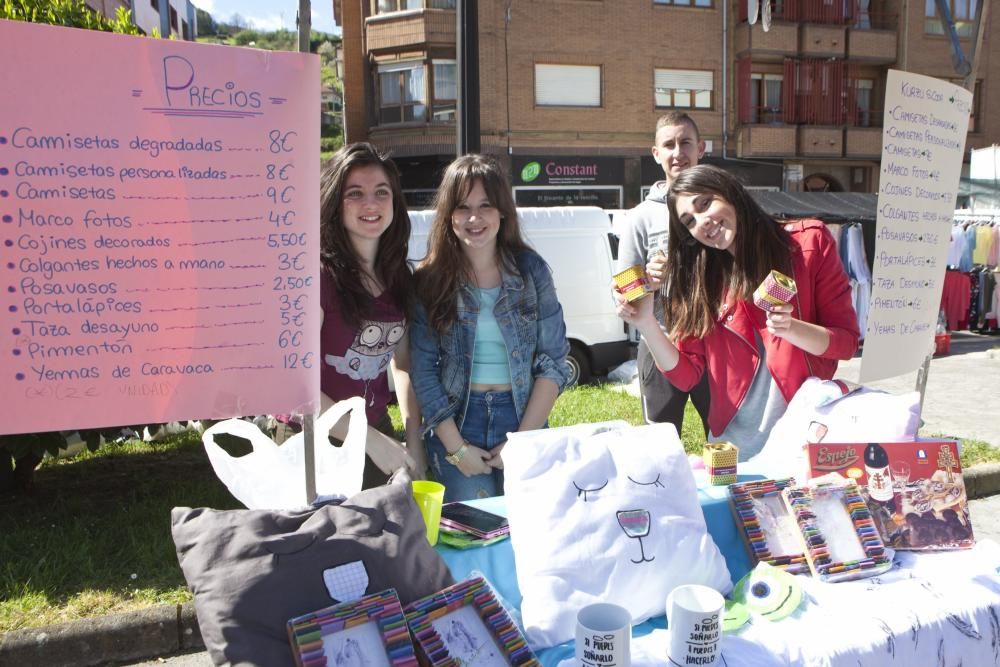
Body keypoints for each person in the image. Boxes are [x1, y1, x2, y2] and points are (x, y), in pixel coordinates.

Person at [617, 165, 860, 460]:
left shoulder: (807, 244)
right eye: (689, 221)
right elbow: (686, 376)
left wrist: (790, 328)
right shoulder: (701, 281)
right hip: (733, 449)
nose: (702, 222)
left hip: (804, 437)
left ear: (730, 192)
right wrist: (645, 323)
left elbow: (845, 344)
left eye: (705, 203)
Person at [410, 154, 571, 502]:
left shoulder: (532, 272)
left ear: (502, 211)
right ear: (447, 214)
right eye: (462, 207)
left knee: (529, 536)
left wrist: (522, 441)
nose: (474, 218)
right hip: (456, 423)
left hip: (523, 418)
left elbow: (554, 360)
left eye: (485, 205)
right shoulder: (428, 280)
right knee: (472, 539)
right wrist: (455, 449)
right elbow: (422, 370)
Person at [316, 142, 425, 486]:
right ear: (335, 203)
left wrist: (414, 439)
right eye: (355, 194)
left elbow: (403, 364)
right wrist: (369, 440)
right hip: (314, 439)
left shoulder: (399, 279)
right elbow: (293, 386)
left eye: (381, 192)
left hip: (376, 428)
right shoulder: (315, 277)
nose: (371, 203)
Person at [617, 111, 711, 436]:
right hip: (660, 342)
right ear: (655, 153)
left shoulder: (721, 209)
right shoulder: (638, 218)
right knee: (659, 444)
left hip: (717, 345)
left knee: (728, 437)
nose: (677, 152)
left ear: (701, 147)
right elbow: (625, 295)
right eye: (668, 144)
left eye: (685, 142)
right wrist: (647, 281)